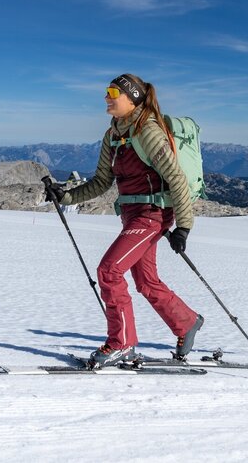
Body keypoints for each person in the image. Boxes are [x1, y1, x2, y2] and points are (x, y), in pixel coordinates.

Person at [45, 73, 203, 369]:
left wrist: (183, 226)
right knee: (146, 281)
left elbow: (177, 179)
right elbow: (103, 181)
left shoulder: (148, 132)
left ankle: (122, 343)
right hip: (132, 214)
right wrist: (64, 196)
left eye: (112, 92)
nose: (106, 96)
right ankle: (186, 322)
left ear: (131, 98)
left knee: (109, 270)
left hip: (152, 215)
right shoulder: (113, 135)